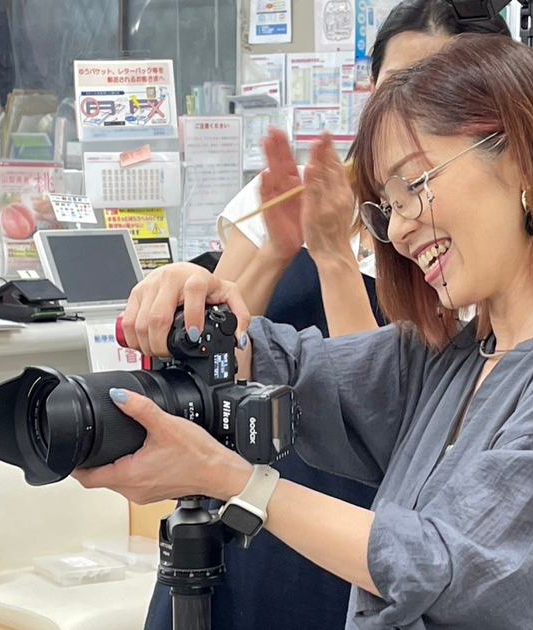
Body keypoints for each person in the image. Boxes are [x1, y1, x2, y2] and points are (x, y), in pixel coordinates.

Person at [82, 33, 533, 630]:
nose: (401, 228)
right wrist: (209, 309)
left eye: (415, 184)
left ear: (523, 161)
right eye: (386, 204)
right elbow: (298, 374)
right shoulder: (454, 358)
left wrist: (238, 483)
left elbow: (469, 569)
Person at [142, 4, 510, 630]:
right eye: (392, 87)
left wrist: (335, 257)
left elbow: (382, 405)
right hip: (234, 520)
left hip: (348, 538)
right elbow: (220, 349)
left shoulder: (472, 243)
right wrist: (278, 249)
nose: (409, 108)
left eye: (435, 86)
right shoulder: (303, 190)